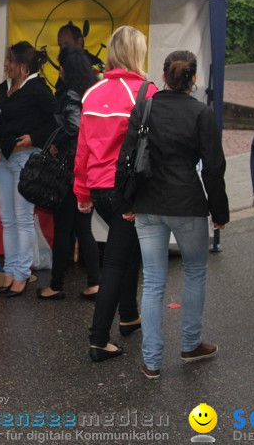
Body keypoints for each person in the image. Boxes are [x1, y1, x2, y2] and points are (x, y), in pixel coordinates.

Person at [119, 50, 228, 379]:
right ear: (193, 79)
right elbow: (214, 168)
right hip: (187, 204)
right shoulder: (201, 114)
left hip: (148, 204)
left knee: (152, 282)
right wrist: (219, 213)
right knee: (195, 273)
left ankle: (152, 362)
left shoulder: (145, 108)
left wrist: (125, 203)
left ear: (163, 76)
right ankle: (190, 343)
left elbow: (126, 158)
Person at [75, 26, 158, 361]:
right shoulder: (146, 91)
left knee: (126, 250)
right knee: (116, 261)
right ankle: (98, 339)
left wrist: (81, 191)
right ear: (137, 53)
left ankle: (129, 316)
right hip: (127, 189)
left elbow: (82, 150)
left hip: (98, 189)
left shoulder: (91, 93)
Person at [0, 41, 56, 297]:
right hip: (5, 160)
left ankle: (21, 275)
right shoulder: (3, 88)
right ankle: (9, 273)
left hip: (26, 159)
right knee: (7, 220)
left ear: (24, 66)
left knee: (23, 219)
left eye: (11, 61)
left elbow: (56, 120)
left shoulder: (38, 89)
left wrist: (34, 138)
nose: (6, 65)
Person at [36, 47, 99, 302]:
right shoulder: (91, 91)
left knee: (63, 228)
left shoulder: (70, 95)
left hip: (70, 168)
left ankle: (56, 284)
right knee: (84, 228)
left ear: (65, 69)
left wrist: (56, 141)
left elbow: (74, 126)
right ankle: (94, 283)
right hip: (87, 167)